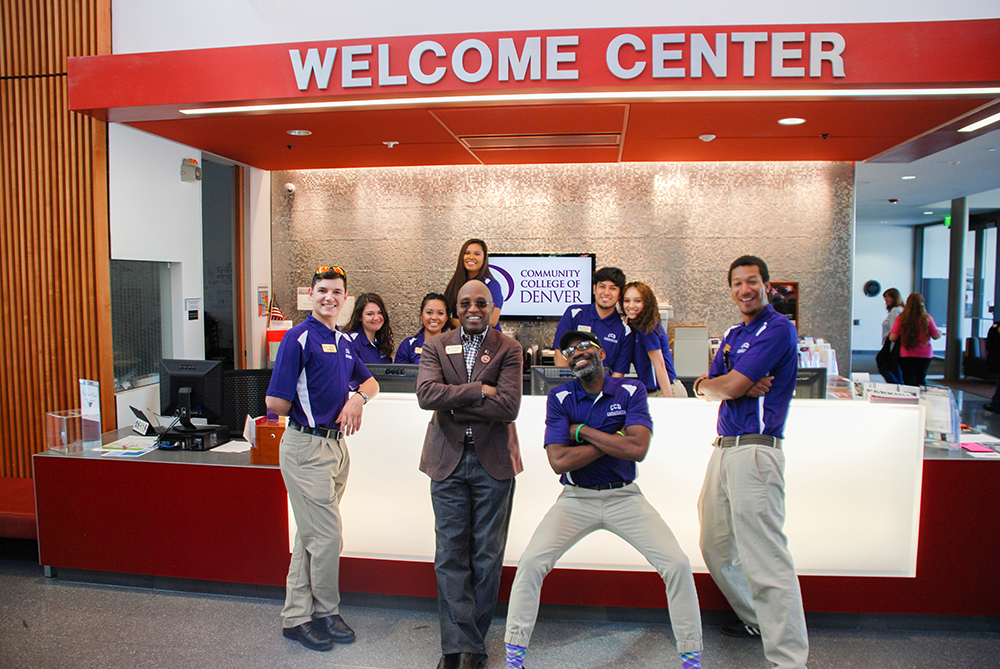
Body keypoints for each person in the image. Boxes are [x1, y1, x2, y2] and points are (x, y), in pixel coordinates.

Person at [503, 329, 703, 669]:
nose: (577, 352)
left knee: (677, 564)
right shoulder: (560, 397)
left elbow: (637, 449)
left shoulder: (631, 390)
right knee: (531, 563)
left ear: (601, 353)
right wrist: (614, 438)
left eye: (584, 346)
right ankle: (514, 657)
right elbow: (559, 462)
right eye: (570, 350)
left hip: (625, 497)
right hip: (575, 499)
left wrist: (581, 433)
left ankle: (691, 658)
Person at [692, 255, 808, 669]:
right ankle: (759, 620)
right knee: (715, 545)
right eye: (738, 283)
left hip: (756, 450)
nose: (745, 289)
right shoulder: (733, 332)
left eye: (753, 281)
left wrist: (730, 384)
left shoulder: (778, 328)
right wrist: (717, 385)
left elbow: (732, 383)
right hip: (723, 448)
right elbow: (707, 385)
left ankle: (789, 659)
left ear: (767, 285)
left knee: (766, 560)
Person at [265, 265, 380, 652]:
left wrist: (356, 398)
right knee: (328, 538)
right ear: (311, 295)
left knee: (311, 536)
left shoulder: (344, 341)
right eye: (322, 291)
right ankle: (326, 612)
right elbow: (275, 402)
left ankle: (295, 617)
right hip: (305, 448)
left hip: (335, 449)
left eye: (337, 292)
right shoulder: (297, 338)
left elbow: (371, 382)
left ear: (345, 299)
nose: (329, 297)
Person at [416, 280, 524, 669]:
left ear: (492, 307)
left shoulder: (509, 348)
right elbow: (427, 395)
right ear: (456, 308)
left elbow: (508, 407)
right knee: (449, 554)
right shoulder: (436, 344)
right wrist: (481, 390)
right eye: (466, 303)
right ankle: (456, 645)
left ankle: (473, 645)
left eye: (481, 302)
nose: (473, 308)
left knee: (486, 555)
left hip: (493, 463)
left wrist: (456, 401)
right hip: (446, 461)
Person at [552, 266, 635, 377]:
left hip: (603, 390)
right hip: (572, 387)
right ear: (594, 289)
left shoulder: (625, 330)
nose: (606, 292)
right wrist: (569, 385)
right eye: (602, 287)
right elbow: (559, 352)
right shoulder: (574, 313)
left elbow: (617, 374)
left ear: (620, 294)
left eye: (613, 288)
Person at [621, 281, 687, 397]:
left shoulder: (647, 328)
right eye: (627, 301)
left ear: (646, 303)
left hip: (665, 390)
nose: (631, 305)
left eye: (637, 301)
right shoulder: (635, 328)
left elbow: (659, 366)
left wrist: (669, 401)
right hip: (653, 391)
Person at [443, 238, 504, 330]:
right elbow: (443, 313)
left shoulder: (492, 285)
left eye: (477, 254)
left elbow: (492, 321)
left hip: (488, 341)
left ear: (484, 258)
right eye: (467, 253)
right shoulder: (456, 283)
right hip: (462, 340)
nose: (471, 257)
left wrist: (453, 321)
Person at [889, 292, 942, 387]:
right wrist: (940, 333)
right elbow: (935, 336)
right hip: (924, 354)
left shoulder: (901, 319)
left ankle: (910, 398)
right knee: (921, 379)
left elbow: (893, 337)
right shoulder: (927, 318)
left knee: (908, 380)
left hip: (906, 353)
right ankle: (922, 399)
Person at [395, 292, 451, 364]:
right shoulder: (408, 345)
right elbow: (401, 373)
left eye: (440, 313)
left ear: (446, 317)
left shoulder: (454, 345)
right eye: (429, 312)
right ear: (421, 315)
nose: (434, 317)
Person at [346, 293, 394, 364]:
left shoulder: (382, 342)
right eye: (370, 314)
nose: (376, 318)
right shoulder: (350, 342)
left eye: (380, 313)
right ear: (360, 317)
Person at [877, 288, 904, 384]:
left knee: (885, 366)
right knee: (893, 369)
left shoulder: (895, 311)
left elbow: (894, 330)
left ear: (893, 298)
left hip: (892, 343)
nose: (885, 301)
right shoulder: (901, 310)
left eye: (887, 298)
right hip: (896, 344)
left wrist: (891, 348)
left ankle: (898, 387)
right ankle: (899, 387)